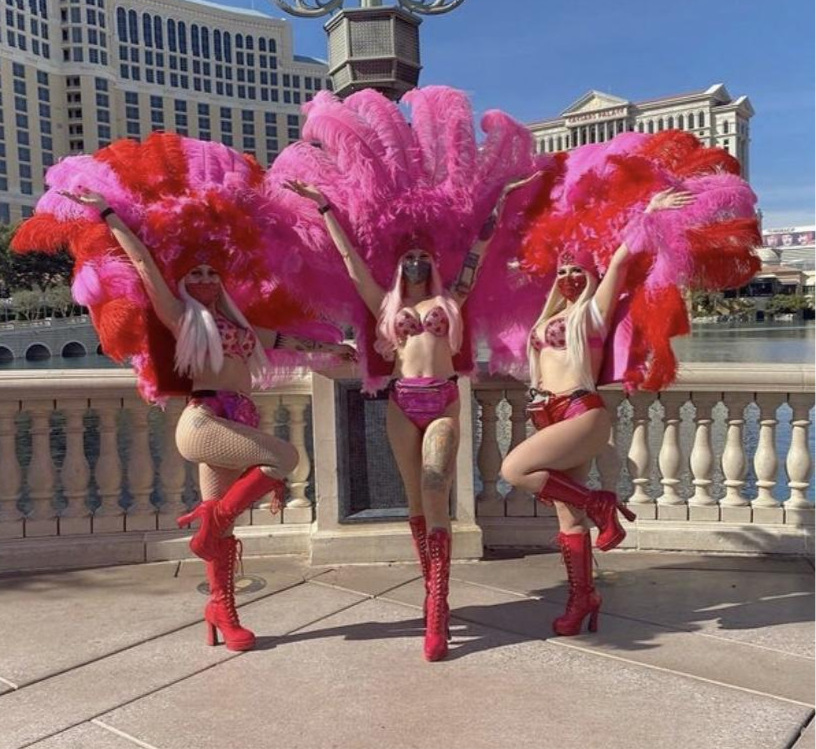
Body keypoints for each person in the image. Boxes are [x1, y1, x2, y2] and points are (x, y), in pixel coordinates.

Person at [59, 188, 355, 652]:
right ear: (183, 283)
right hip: (203, 421)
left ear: (222, 281)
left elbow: (285, 341)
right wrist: (107, 212)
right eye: (194, 273)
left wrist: (334, 351)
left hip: (237, 417)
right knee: (286, 458)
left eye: (210, 273)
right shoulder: (182, 319)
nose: (203, 279)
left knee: (226, 535)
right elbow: (142, 265)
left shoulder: (239, 325)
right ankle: (210, 525)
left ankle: (222, 608)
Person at [284, 175, 534, 661]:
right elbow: (350, 262)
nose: (417, 263)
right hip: (402, 401)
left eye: (424, 257)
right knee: (416, 504)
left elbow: (478, 253)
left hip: (443, 399)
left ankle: (438, 607)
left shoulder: (451, 299)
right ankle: (431, 594)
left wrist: (501, 200)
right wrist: (324, 206)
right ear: (399, 266)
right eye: (409, 258)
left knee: (437, 482)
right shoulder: (387, 303)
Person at [500, 188, 695, 637]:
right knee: (567, 518)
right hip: (546, 414)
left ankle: (602, 506)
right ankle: (582, 596)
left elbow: (623, 260)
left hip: (579, 411)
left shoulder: (592, 313)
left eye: (579, 270)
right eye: (563, 269)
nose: (569, 275)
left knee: (514, 469)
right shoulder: (546, 318)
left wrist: (647, 213)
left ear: (592, 276)